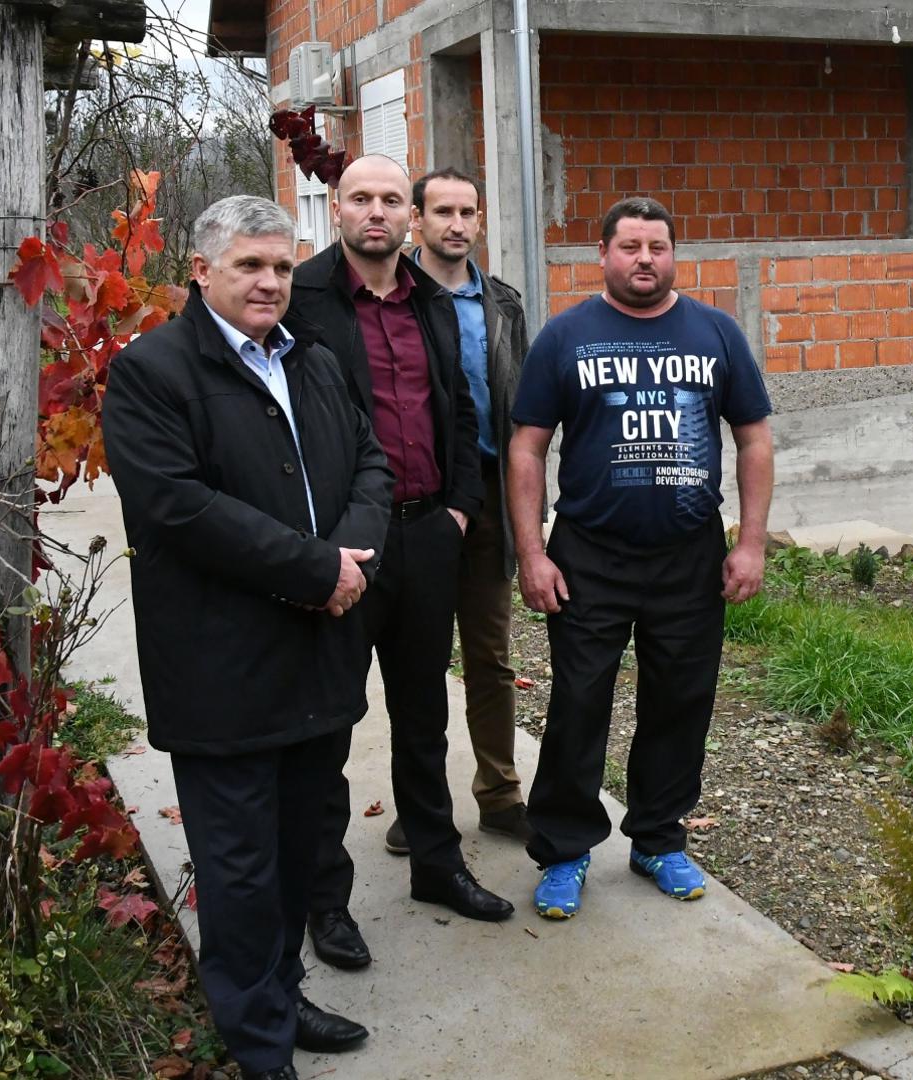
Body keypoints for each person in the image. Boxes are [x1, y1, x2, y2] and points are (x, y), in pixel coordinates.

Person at [103, 195, 392, 1080]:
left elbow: (372, 462)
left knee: (301, 847)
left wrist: (352, 561)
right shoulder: (152, 372)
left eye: (281, 266)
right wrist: (317, 570)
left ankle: (282, 994)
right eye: (250, 266)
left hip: (318, 655)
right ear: (201, 271)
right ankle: (259, 1046)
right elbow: (179, 508)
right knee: (239, 869)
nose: (271, 282)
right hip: (222, 668)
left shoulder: (314, 360)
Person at [508, 196, 775, 920]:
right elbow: (527, 447)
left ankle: (658, 837)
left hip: (689, 558)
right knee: (578, 702)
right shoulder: (566, 336)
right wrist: (532, 552)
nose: (645, 259)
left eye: (657, 246)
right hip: (588, 556)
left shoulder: (716, 333)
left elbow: (753, 437)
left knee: (680, 702)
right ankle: (564, 849)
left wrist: (750, 542)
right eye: (629, 246)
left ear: (673, 255)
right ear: (602, 254)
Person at [290, 155, 513, 976]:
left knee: (424, 713)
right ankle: (325, 900)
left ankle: (436, 864)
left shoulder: (431, 301)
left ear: (405, 216)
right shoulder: (302, 299)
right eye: (362, 199)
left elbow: (459, 410)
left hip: (427, 535)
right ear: (337, 208)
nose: (377, 212)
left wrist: (459, 509)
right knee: (329, 723)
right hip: (344, 546)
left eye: (390, 198)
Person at [370, 166, 532, 851]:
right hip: (419, 498)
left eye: (468, 212)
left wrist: (528, 509)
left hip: (488, 496)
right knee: (419, 661)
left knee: (490, 655)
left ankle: (500, 793)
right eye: (443, 211)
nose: (457, 224)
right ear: (417, 219)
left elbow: (523, 413)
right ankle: (423, 805)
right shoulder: (395, 297)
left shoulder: (503, 304)